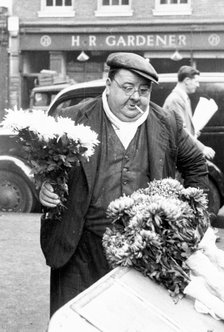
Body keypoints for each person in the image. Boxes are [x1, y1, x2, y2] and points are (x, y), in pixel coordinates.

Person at [39, 52, 209, 317]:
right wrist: (46, 186)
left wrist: (190, 217)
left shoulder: (167, 123)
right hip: (79, 247)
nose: (135, 97)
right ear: (109, 84)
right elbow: (47, 165)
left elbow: (197, 166)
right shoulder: (71, 118)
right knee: (74, 321)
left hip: (142, 252)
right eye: (127, 88)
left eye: (144, 90)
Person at [163, 65, 215, 160]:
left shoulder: (182, 99)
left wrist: (193, 132)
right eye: (196, 81)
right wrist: (202, 148)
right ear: (187, 81)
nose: (198, 85)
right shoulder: (175, 100)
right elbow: (180, 130)